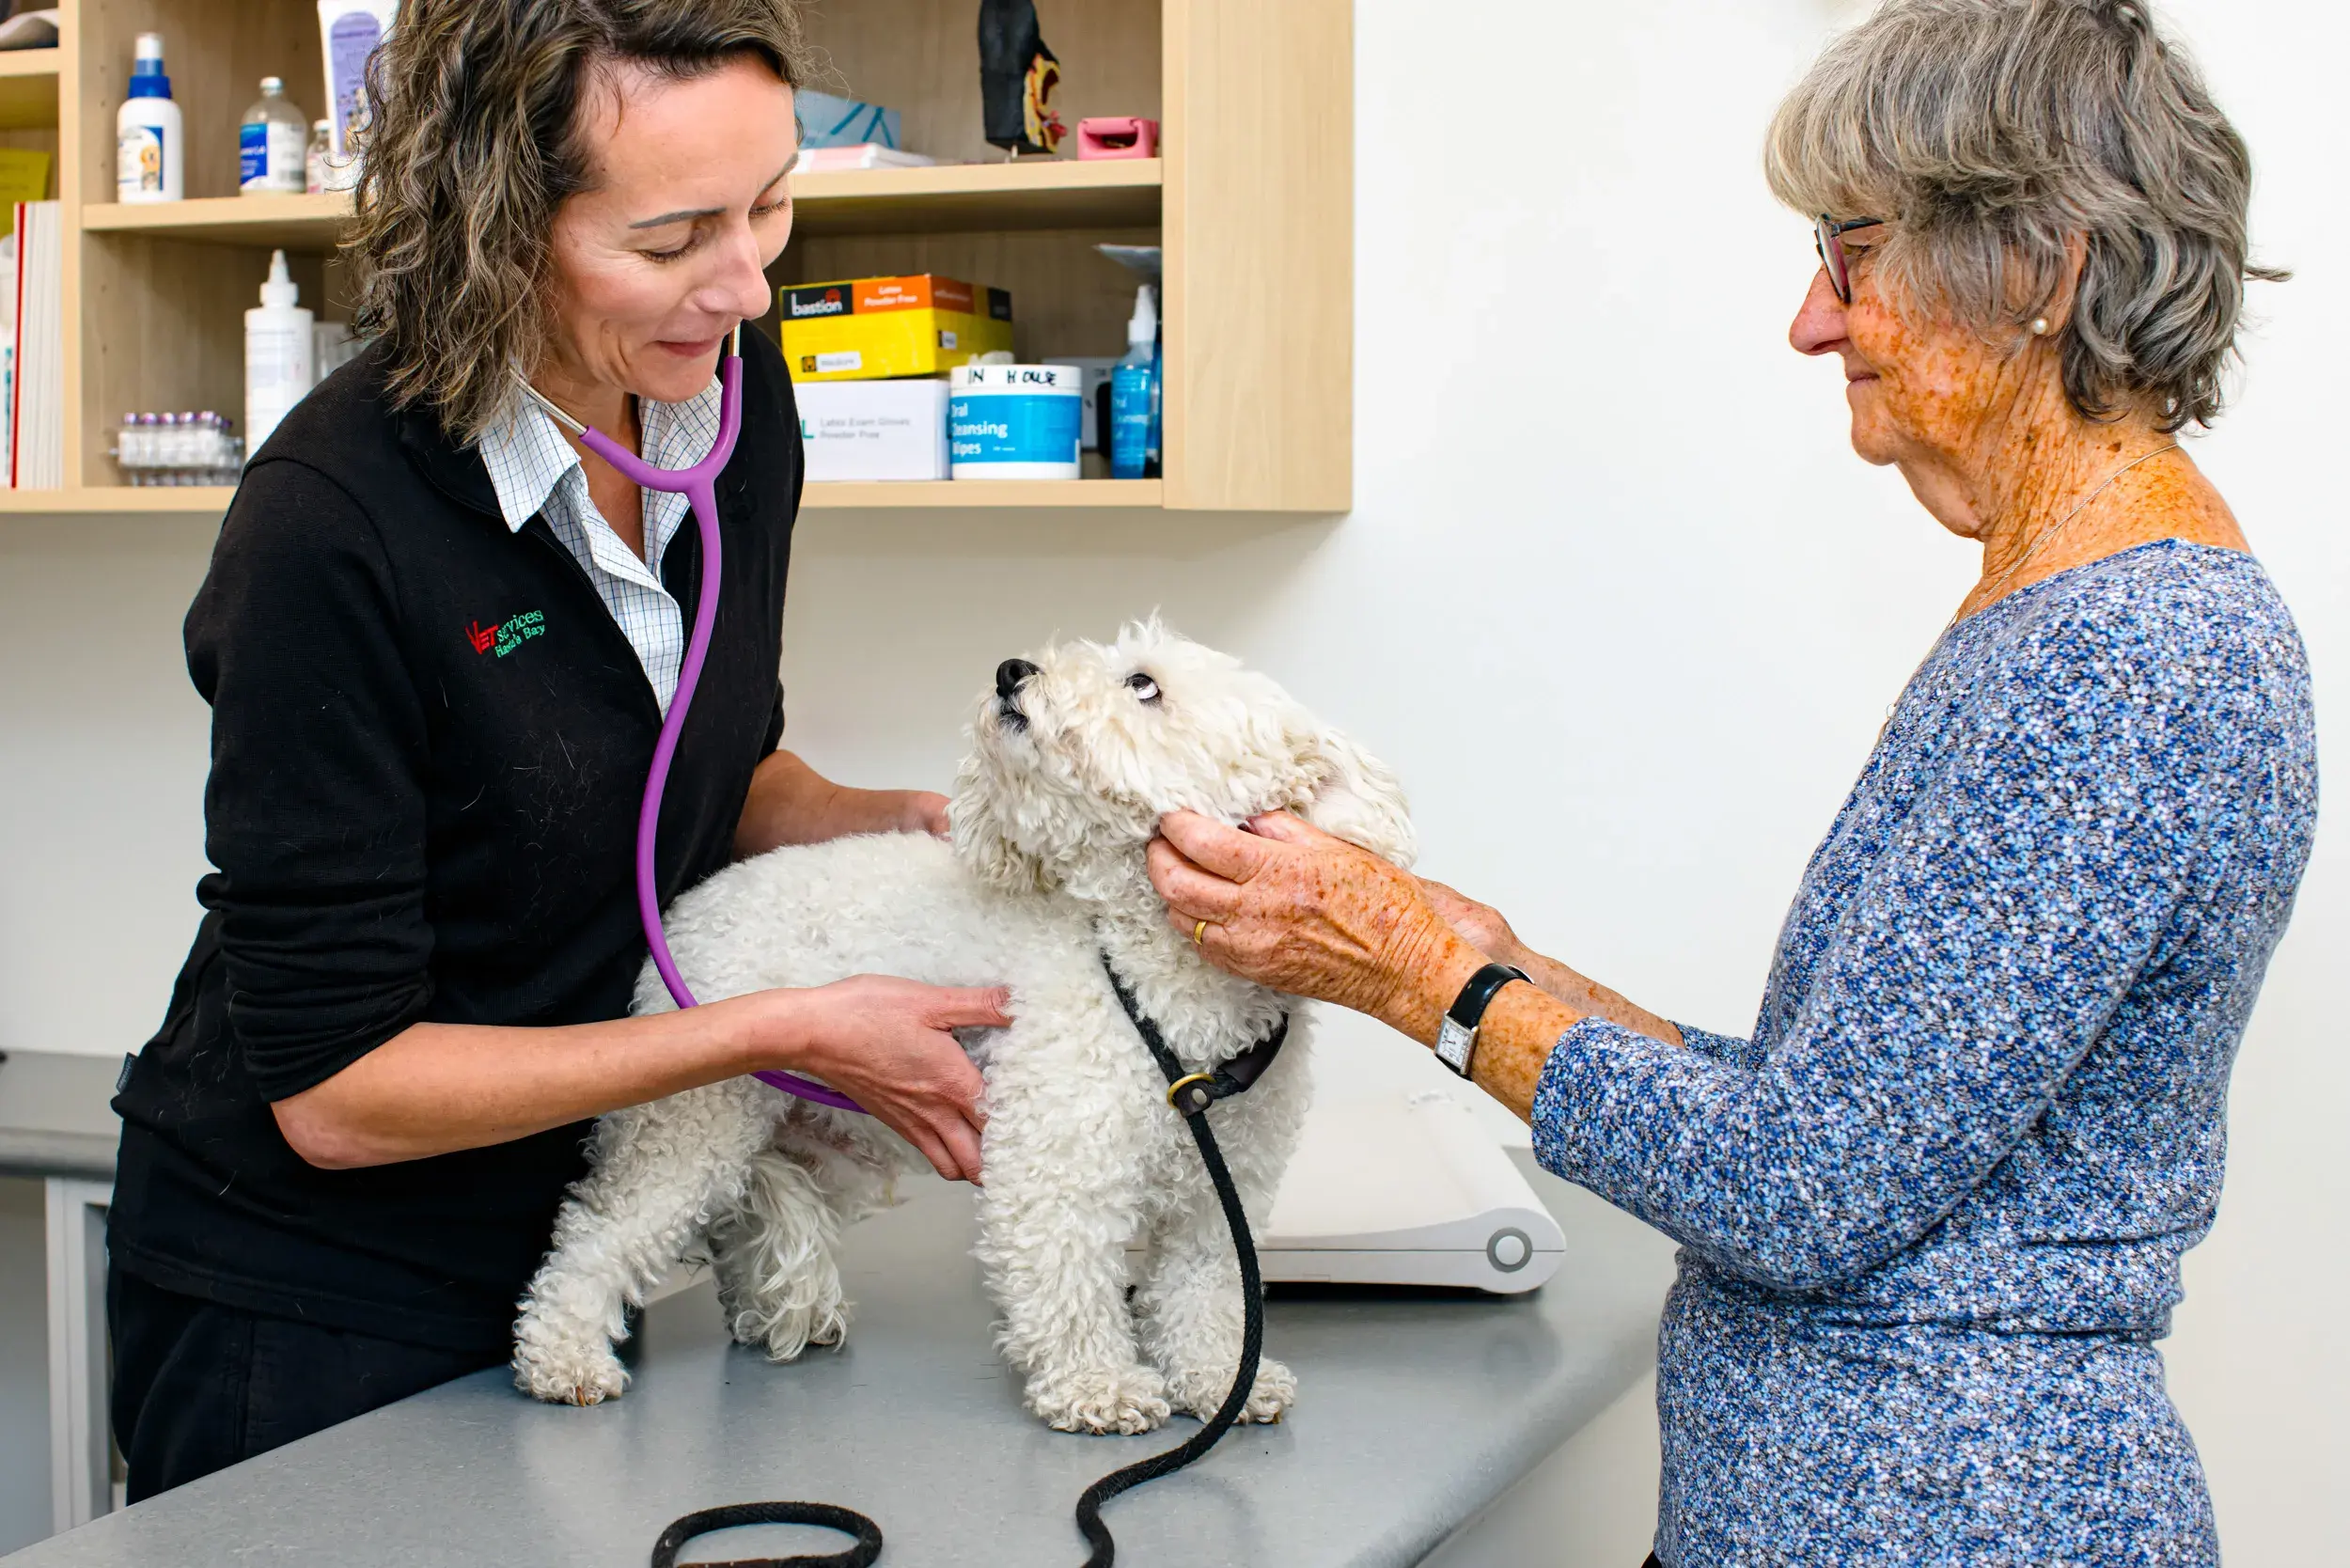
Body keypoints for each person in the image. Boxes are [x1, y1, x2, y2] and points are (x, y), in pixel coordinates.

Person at [1146, 3, 2314, 1564]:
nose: (1812, 324)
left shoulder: (2130, 657)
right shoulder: (2067, 616)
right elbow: (1837, 1114)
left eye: (1853, 255)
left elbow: (1798, 1191)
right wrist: (1488, 949)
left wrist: (1423, 978)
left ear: (2042, 266)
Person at [105, 0, 1005, 1501]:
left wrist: (898, 827)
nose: (744, 290)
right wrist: (775, 1023)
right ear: (495, 227)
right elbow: (336, 1094)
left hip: (573, 1244)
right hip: (309, 1292)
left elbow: (705, 766)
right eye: (671, 241)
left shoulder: (721, 398)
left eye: (770, 206)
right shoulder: (329, 527)